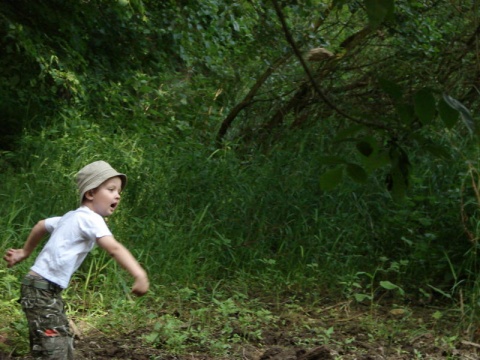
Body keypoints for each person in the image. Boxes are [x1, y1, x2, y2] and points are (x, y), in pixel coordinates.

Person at [3, 160, 150, 359]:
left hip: (42, 289)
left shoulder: (70, 217)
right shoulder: (90, 219)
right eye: (111, 189)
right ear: (90, 193)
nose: (117, 195)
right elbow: (114, 248)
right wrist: (139, 274)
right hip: (42, 290)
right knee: (57, 348)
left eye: (119, 192)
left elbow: (40, 225)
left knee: (52, 344)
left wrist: (25, 252)